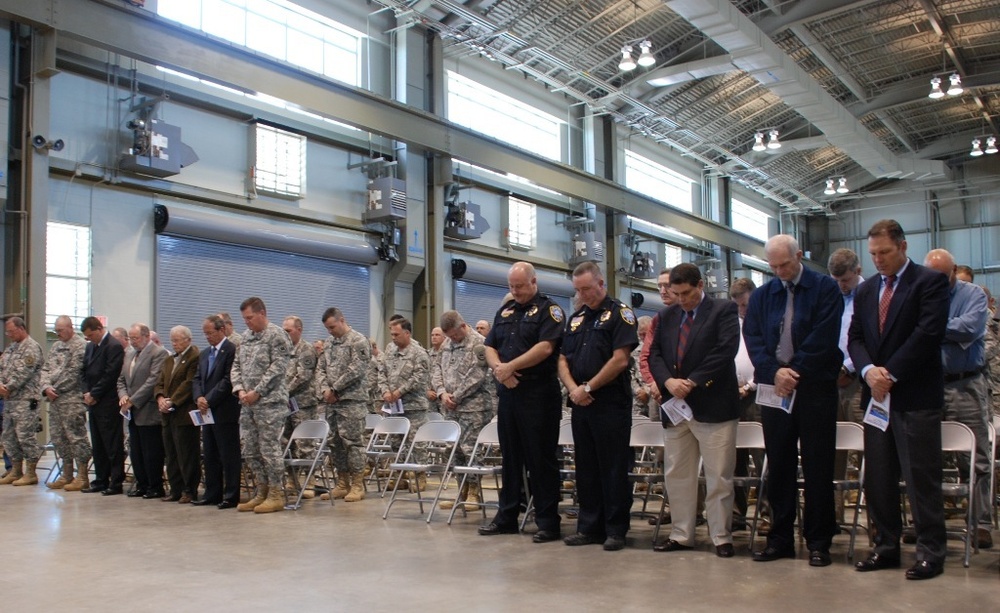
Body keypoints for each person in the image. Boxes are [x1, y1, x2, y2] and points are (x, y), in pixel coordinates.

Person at [849, 219, 949, 580]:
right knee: (879, 477)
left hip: (914, 395)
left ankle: (930, 552)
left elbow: (928, 334)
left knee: (920, 477)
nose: (878, 260)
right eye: (873, 254)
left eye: (885, 253)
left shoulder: (929, 282)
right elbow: (855, 337)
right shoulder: (866, 290)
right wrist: (868, 372)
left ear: (903, 247)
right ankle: (886, 546)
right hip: (876, 398)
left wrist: (889, 374)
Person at [743, 234, 843, 567]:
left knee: (817, 465)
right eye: (773, 266)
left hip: (815, 388)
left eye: (785, 264)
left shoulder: (825, 288)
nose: (780, 271)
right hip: (775, 391)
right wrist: (774, 372)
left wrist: (794, 371)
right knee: (780, 465)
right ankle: (780, 538)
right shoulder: (762, 295)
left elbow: (824, 337)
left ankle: (818, 540)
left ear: (799, 255)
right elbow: (754, 339)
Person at [646, 263, 740, 557]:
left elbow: (726, 350)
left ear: (700, 285)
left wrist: (693, 381)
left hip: (713, 405)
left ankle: (721, 536)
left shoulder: (723, 310)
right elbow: (655, 354)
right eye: (676, 294)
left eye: (686, 293)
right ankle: (681, 533)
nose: (682, 300)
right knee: (677, 474)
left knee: (718, 475)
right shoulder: (665, 315)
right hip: (676, 407)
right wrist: (668, 381)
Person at [480, 262, 565, 543]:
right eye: (511, 286)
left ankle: (547, 522)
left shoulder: (549, 310)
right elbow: (489, 345)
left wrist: (511, 366)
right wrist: (499, 371)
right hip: (508, 393)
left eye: (519, 286)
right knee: (511, 458)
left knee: (540, 460)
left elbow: (546, 347)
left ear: (533, 281)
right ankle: (507, 517)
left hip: (538, 394)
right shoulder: (506, 310)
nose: (515, 291)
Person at [558, 262, 638, 551]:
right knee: (586, 467)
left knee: (613, 467)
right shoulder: (576, 318)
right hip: (580, 402)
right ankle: (589, 526)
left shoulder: (620, 314)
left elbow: (620, 359)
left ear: (602, 284)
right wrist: (573, 389)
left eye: (587, 289)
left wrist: (589, 387)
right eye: (578, 290)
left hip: (609, 403)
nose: (583, 295)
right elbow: (563, 359)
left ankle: (615, 529)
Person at [923, 249, 993, 550]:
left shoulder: (974, 295)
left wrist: (932, 329)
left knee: (974, 458)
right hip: (930, 386)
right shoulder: (922, 295)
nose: (938, 281)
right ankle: (928, 522)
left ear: (953, 271)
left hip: (966, 384)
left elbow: (970, 328)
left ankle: (980, 523)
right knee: (927, 458)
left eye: (943, 276)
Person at [231, 297, 292, 514]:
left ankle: (275, 494)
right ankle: (261, 491)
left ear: (262, 313)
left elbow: (278, 368)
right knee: (250, 449)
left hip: (270, 403)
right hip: (247, 403)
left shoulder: (277, 336)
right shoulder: (246, 337)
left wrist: (258, 391)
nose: (246, 322)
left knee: (269, 449)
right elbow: (236, 365)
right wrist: (239, 389)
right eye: (244, 319)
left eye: (250, 318)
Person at [433, 310, 492, 510]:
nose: (452, 339)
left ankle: (475, 493)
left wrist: (456, 396)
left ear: (463, 325)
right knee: (454, 450)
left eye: (455, 335)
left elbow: (477, 375)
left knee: (471, 450)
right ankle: (461, 491)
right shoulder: (447, 344)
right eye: (448, 336)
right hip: (450, 407)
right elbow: (436, 369)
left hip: (473, 407)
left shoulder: (479, 343)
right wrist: (442, 393)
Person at [315, 307, 371, 502]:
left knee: (353, 443)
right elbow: (320, 368)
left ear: (342, 320)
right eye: (327, 328)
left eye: (332, 327)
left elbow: (357, 369)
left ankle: (357, 484)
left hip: (351, 401)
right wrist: (324, 390)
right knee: (335, 443)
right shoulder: (329, 343)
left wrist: (335, 389)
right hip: (331, 402)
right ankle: (342, 482)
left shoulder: (358, 341)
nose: (330, 331)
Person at [191, 315, 241, 509]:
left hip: (224, 410)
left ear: (221, 330)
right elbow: (196, 379)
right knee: (210, 453)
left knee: (228, 455)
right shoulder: (204, 354)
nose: (207, 337)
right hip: (206, 411)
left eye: (210, 333)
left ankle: (231, 495)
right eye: (205, 334)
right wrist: (199, 398)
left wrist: (208, 399)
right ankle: (212, 493)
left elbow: (228, 380)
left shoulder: (232, 350)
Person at [378, 318, 431, 493]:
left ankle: (419, 477)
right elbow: (382, 371)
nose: (392, 337)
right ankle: (399, 476)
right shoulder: (390, 350)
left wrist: (398, 392)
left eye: (396, 334)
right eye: (391, 334)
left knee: (416, 443)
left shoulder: (419, 353)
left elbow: (418, 378)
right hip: (394, 406)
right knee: (396, 443)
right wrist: (385, 391)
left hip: (413, 406)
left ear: (407, 333)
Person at [118, 323, 169, 498]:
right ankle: (142, 484)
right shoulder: (130, 354)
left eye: (136, 338)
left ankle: (155, 486)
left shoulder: (158, 353)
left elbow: (153, 381)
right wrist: (123, 396)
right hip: (131, 412)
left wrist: (133, 400)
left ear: (146, 336)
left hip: (148, 410)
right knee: (136, 451)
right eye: (130, 338)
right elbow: (121, 379)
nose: (132, 342)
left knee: (151, 452)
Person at [39, 315, 90, 491]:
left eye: (60, 330)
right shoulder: (56, 346)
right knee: (59, 439)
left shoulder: (80, 346)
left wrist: (55, 389)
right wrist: (46, 387)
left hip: (72, 400)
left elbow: (74, 373)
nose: (58, 334)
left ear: (70, 327)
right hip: (54, 401)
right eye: (56, 330)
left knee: (76, 438)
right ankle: (66, 474)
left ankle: (82, 476)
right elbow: (45, 369)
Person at [153, 325, 201, 503]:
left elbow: (188, 384)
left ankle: (189, 490)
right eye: (172, 340)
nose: (174, 344)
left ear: (188, 339)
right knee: (171, 454)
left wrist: (172, 400)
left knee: (186, 454)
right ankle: (175, 489)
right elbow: (159, 382)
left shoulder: (194, 357)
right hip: (167, 414)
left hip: (184, 413)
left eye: (177, 340)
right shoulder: (169, 360)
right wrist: (160, 398)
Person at [80, 316, 126, 495]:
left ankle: (115, 482)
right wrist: (86, 392)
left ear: (99, 329)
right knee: (98, 443)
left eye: (91, 335)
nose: (90, 339)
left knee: (112, 443)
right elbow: (83, 371)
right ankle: (101, 479)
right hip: (92, 401)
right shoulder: (91, 346)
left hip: (107, 402)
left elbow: (111, 374)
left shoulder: (113, 346)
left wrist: (95, 394)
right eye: (87, 336)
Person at [730, 277, 760, 529]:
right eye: (738, 305)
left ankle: (766, 514)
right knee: (735, 458)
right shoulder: (731, 325)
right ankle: (737, 513)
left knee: (762, 457)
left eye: (745, 304)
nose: (742, 310)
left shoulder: (764, 320)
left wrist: (750, 385)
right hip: (733, 396)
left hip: (759, 394)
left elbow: (770, 358)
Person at [0, 317, 44, 486]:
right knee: (9, 437)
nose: (9, 335)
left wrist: (7, 387)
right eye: (7, 332)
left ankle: (31, 473)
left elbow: (23, 373)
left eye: (11, 331)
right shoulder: (11, 348)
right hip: (10, 401)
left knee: (25, 436)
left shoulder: (31, 347)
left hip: (25, 400)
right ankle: (16, 470)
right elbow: (2, 367)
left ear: (21, 328)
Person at [281, 315, 319, 498]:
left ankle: (310, 481)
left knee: (305, 444)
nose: (285, 334)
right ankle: (292, 480)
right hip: (285, 405)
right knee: (286, 443)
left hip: (303, 404)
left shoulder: (307, 350)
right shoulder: (282, 350)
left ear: (299, 330)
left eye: (288, 331)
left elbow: (302, 376)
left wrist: (282, 391)